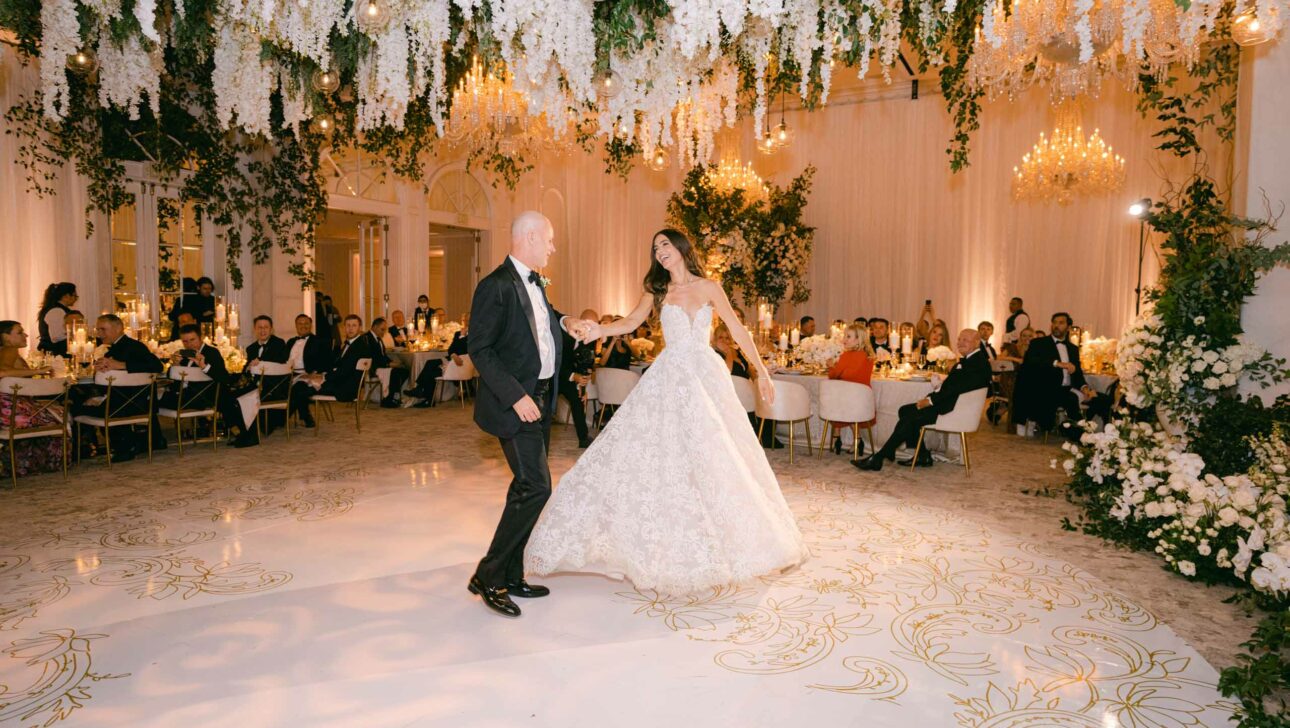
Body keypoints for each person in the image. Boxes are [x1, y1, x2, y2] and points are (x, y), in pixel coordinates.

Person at [524, 227, 806, 598]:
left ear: (682, 248)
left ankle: (730, 541)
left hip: (705, 377)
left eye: (665, 245)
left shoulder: (709, 287)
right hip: (670, 377)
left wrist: (762, 370)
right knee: (659, 457)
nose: (659, 252)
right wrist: (595, 331)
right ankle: (661, 547)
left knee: (716, 455)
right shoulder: (657, 292)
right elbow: (628, 323)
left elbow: (739, 330)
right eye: (655, 247)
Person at [464, 211, 593, 618]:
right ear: (532, 237)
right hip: (517, 403)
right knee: (537, 486)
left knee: (526, 486)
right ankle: (488, 575)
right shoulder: (495, 285)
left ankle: (511, 573)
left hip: (540, 400)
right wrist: (516, 396)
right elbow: (479, 349)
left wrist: (565, 318)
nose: (553, 248)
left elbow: (539, 320)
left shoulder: (534, 283)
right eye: (550, 240)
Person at [854, 328, 991, 472]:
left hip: (953, 411)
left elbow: (955, 389)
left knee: (910, 417)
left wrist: (930, 401)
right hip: (951, 405)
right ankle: (922, 455)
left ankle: (881, 456)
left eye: (965, 340)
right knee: (905, 410)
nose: (960, 343)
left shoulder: (977, 363)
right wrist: (932, 396)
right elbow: (954, 387)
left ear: (976, 343)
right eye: (959, 339)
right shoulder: (973, 360)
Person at [72, 314, 165, 462]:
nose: (99, 334)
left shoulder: (135, 346)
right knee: (81, 400)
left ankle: (86, 448)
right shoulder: (114, 349)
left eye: (103, 329)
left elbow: (157, 366)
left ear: (118, 328)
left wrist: (121, 365)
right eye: (98, 329)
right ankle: (120, 444)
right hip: (127, 403)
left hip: (130, 405)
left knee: (74, 406)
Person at [160, 324, 259, 448]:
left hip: (202, 397)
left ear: (200, 338)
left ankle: (157, 440)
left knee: (155, 401)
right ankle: (156, 438)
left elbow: (223, 377)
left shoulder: (211, 352)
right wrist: (175, 365)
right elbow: (174, 379)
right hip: (185, 396)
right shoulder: (184, 356)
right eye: (185, 341)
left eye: (192, 340)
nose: (189, 344)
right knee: (154, 400)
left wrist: (204, 366)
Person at [0, 321, 66, 477]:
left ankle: (22, 464)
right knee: (63, 414)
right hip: (12, 409)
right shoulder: (9, 350)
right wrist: (42, 370)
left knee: (56, 409)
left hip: (11, 408)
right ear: (5, 337)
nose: (26, 335)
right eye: (20, 332)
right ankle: (42, 463)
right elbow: (2, 372)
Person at [1014, 312, 1089, 440]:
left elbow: (1077, 372)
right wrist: (1057, 363)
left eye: (1061, 323)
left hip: (1066, 388)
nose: (1056, 326)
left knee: (1102, 400)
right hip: (1046, 387)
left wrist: (1085, 387)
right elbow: (1031, 361)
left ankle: (1096, 431)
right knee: (1070, 400)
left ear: (1068, 327)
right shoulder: (1039, 343)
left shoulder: (1072, 348)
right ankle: (1080, 434)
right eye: (1054, 323)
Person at [289, 315, 370, 428]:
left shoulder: (359, 347)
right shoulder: (352, 344)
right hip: (342, 382)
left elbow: (344, 371)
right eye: (348, 325)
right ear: (344, 327)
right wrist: (323, 375)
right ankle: (289, 418)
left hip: (345, 387)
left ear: (360, 328)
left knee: (300, 389)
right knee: (300, 387)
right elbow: (337, 366)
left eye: (354, 325)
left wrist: (323, 377)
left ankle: (282, 418)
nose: (350, 328)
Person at [826, 322, 875, 457]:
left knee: (833, 398)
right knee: (840, 396)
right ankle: (857, 440)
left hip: (849, 400)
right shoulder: (868, 356)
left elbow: (834, 375)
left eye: (848, 337)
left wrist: (831, 366)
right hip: (863, 400)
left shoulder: (847, 355)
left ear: (858, 340)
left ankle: (837, 437)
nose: (844, 340)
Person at [559, 309, 599, 449]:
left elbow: (584, 366)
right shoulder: (563, 335)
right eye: (587, 324)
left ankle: (583, 438)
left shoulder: (589, 340)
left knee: (577, 402)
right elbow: (555, 362)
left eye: (594, 324)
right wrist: (573, 376)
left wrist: (583, 388)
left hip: (569, 379)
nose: (589, 328)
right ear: (580, 321)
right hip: (553, 378)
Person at [366, 317, 408, 408]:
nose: (384, 332)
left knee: (405, 371)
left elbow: (383, 355)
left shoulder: (378, 338)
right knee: (395, 373)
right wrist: (388, 364)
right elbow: (372, 358)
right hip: (372, 368)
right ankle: (389, 398)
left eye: (385, 330)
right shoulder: (367, 338)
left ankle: (393, 396)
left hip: (380, 365)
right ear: (375, 327)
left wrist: (392, 362)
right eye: (382, 329)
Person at [36, 282, 78, 356]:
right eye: (75, 296)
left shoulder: (58, 309)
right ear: (67, 296)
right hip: (55, 353)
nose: (76, 299)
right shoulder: (56, 311)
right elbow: (57, 337)